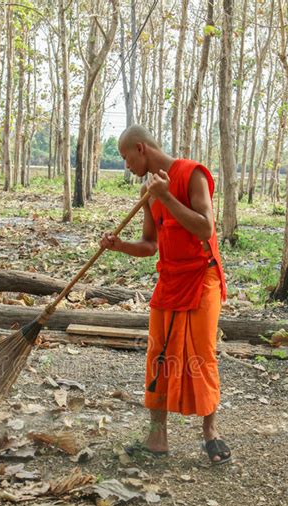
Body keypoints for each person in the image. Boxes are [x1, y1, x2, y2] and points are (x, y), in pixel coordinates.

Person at [100, 125, 231, 464]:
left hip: (202, 277)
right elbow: (150, 245)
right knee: (158, 354)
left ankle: (210, 433)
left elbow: (205, 227)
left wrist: (167, 196)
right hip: (169, 279)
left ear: (141, 148)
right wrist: (121, 246)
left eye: (126, 157)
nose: (126, 165)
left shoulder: (192, 175)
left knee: (202, 353)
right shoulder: (147, 190)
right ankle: (157, 437)